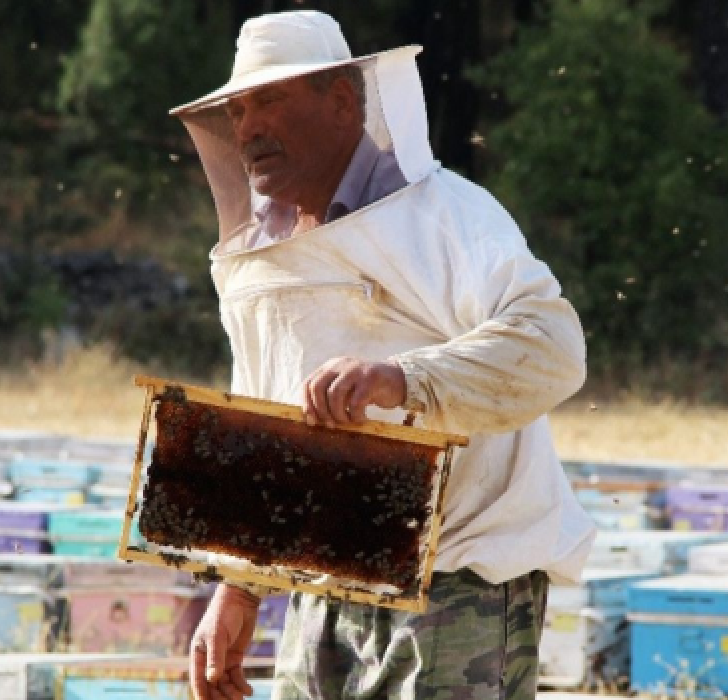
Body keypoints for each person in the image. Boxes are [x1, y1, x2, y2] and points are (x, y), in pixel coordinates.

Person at [171, 11, 596, 700]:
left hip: (456, 577)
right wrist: (239, 588)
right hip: (319, 575)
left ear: (342, 101)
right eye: (239, 107)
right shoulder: (257, 257)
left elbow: (552, 346)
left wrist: (404, 379)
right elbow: (261, 422)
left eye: (270, 100)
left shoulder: (444, 213)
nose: (247, 127)